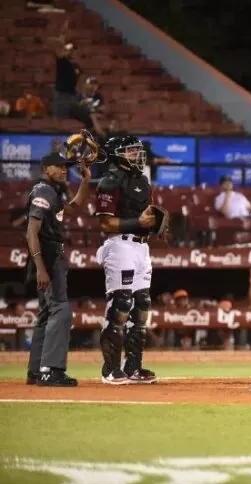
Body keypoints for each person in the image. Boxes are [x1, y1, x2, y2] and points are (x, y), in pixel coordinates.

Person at [94, 136, 166, 384]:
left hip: (141, 247)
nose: (137, 154)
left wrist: (155, 225)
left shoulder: (142, 181)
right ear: (117, 154)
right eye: (131, 150)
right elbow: (105, 223)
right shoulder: (109, 182)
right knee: (121, 304)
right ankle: (110, 369)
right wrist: (139, 223)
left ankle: (134, 367)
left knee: (142, 305)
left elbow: (145, 215)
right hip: (119, 244)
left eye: (137, 150)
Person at [26, 152, 91, 386]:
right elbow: (31, 231)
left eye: (66, 166)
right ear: (46, 169)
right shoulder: (44, 190)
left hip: (46, 255)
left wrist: (84, 180)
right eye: (58, 166)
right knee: (61, 310)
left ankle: (36, 370)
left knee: (46, 314)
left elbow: (74, 210)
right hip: (48, 255)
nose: (64, 170)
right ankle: (50, 370)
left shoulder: (51, 191)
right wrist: (41, 268)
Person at [50, 20, 80, 119]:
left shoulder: (76, 66)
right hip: (61, 96)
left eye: (72, 50)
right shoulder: (62, 61)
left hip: (73, 96)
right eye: (68, 50)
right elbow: (59, 47)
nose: (70, 52)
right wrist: (62, 33)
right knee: (60, 121)